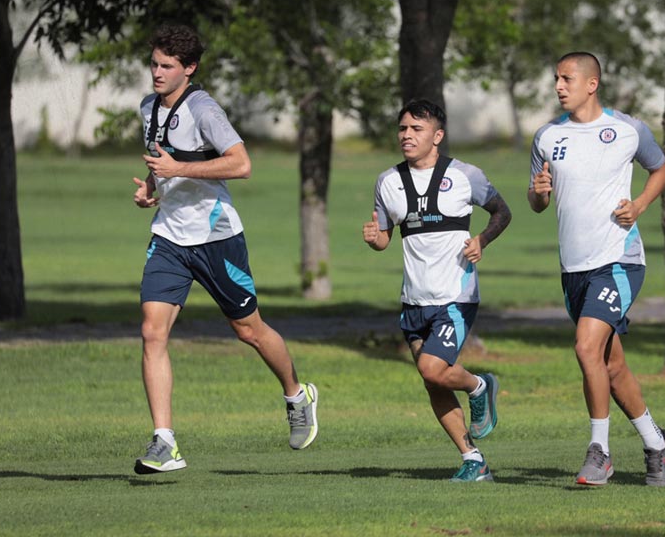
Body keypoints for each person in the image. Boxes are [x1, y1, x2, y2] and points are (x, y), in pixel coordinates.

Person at [131, 24, 318, 474]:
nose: (157, 73)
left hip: (217, 236)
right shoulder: (148, 107)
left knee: (249, 331)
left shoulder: (204, 108)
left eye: (167, 66)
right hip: (170, 238)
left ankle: (297, 393)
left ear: (189, 68)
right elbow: (167, 162)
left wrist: (179, 168)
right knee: (152, 332)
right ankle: (164, 441)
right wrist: (154, 188)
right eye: (154, 63)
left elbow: (241, 163)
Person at [529, 52, 665, 487]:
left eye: (567, 78)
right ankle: (656, 445)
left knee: (586, 348)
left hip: (618, 260)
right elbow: (537, 202)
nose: (558, 85)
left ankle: (600, 452)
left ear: (592, 84)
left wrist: (640, 205)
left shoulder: (628, 130)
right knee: (610, 366)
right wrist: (538, 193)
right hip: (573, 269)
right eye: (556, 78)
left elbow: (661, 167)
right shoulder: (546, 136)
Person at [363, 99, 512, 482]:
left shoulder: (465, 175)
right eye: (403, 129)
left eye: (416, 129)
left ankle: (481, 385)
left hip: (455, 295)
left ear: (438, 136)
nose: (407, 136)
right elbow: (384, 240)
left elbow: (502, 212)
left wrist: (482, 240)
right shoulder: (387, 182)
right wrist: (374, 238)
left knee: (433, 368)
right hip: (414, 299)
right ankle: (473, 460)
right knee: (432, 381)